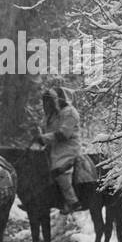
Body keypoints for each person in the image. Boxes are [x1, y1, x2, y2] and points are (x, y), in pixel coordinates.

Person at [34, 85, 82, 213]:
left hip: (68, 149)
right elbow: (45, 131)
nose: (47, 104)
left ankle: (72, 202)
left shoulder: (69, 113)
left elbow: (63, 134)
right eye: (45, 101)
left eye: (50, 101)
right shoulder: (50, 116)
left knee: (59, 170)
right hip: (52, 149)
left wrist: (43, 138)